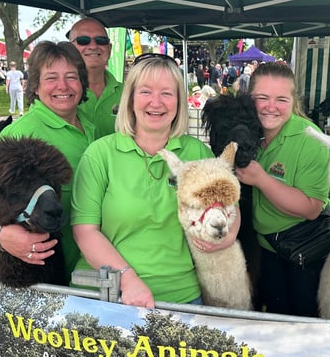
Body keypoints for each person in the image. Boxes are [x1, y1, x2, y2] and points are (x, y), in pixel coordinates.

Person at [71, 53, 239, 307]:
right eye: (146, 91)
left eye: (167, 93)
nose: (156, 102)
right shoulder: (100, 154)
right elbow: (85, 232)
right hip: (106, 298)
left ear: (179, 102)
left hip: (180, 296)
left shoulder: (197, 153)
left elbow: (229, 210)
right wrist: (128, 281)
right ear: (130, 99)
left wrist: (223, 240)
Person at [0, 41, 94, 284]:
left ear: (82, 83)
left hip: (95, 261)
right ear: (36, 86)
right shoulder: (19, 135)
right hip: (54, 267)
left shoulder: (92, 124)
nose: (63, 86)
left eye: (71, 77)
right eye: (51, 78)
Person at [235, 62, 330, 317]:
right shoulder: (247, 134)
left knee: (303, 322)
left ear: (293, 101)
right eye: (262, 98)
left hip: (305, 250)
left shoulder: (311, 140)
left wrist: (261, 179)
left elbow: (311, 208)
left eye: (281, 99)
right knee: (273, 319)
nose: (271, 107)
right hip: (265, 249)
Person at [66, 17, 123, 139]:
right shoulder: (57, 93)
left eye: (101, 40)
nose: (93, 46)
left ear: (110, 48)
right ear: (69, 48)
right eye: (83, 40)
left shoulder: (129, 93)